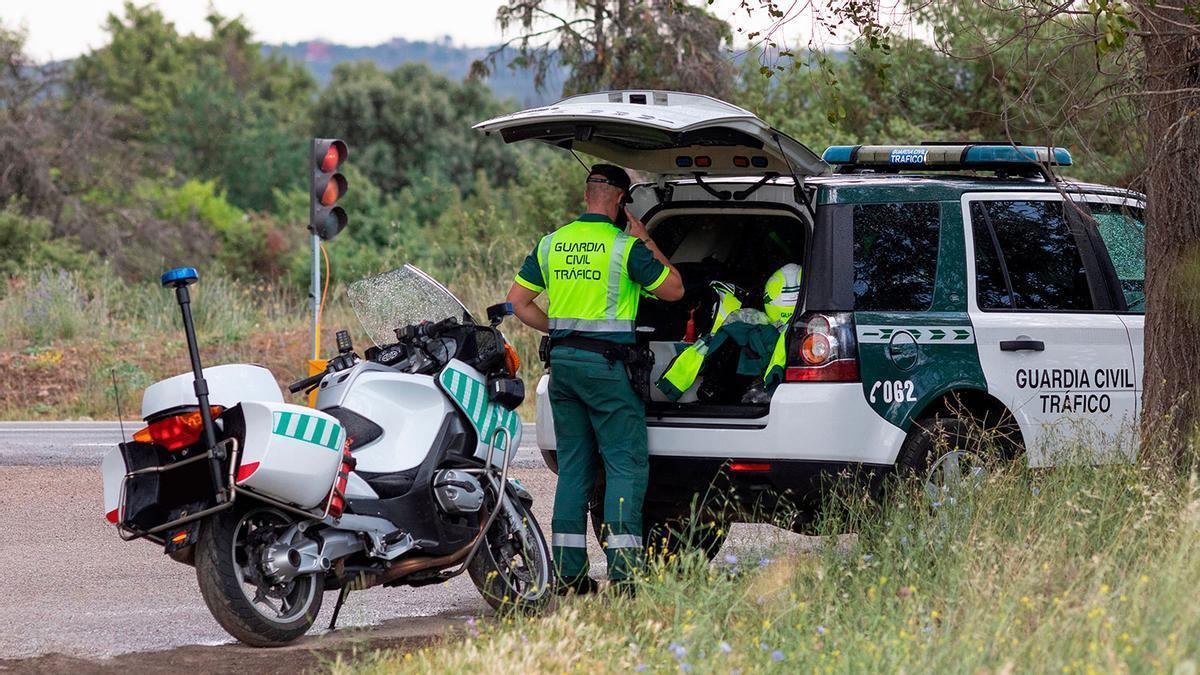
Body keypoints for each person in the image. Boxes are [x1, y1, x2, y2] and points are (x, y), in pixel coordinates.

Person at [506, 164, 683, 594]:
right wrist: (645, 238)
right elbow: (675, 289)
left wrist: (561, 331)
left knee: (574, 471)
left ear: (587, 196)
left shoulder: (552, 244)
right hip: (609, 372)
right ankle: (624, 576)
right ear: (622, 200)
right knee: (624, 466)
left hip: (564, 367)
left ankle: (568, 576)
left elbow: (517, 303)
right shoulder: (625, 248)